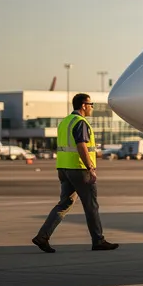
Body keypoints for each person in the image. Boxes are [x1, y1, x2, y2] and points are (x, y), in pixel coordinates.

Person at [32, 93, 118, 252]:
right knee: (91, 206)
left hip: (64, 169)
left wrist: (61, 169)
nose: (92, 107)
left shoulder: (64, 122)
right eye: (91, 104)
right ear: (84, 105)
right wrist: (90, 167)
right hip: (79, 170)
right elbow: (81, 146)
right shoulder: (81, 122)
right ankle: (98, 240)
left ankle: (42, 236)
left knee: (64, 204)